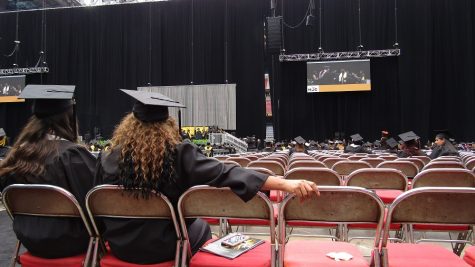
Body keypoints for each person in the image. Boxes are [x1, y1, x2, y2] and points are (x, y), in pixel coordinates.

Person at [94, 90, 319, 264]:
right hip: (164, 247)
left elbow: (97, 202)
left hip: (120, 245)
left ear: (130, 124)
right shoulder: (180, 154)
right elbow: (226, 173)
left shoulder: (106, 158)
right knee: (200, 227)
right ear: (167, 124)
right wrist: (284, 183)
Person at [0, 85, 96, 258]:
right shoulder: (71, 155)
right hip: (71, 240)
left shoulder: (17, 154)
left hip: (30, 239)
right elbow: (93, 201)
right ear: (68, 118)